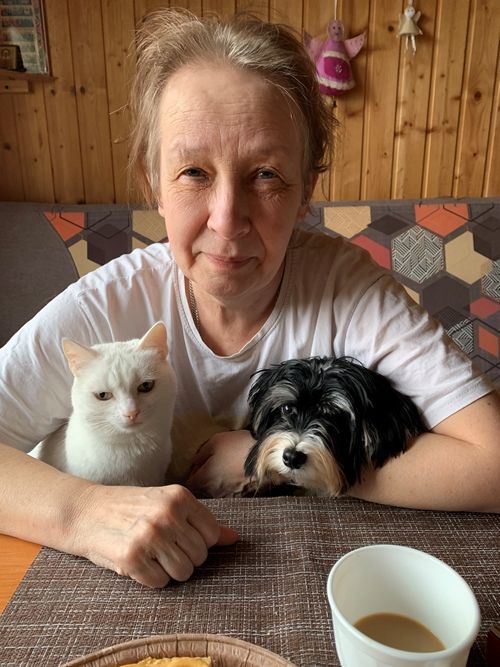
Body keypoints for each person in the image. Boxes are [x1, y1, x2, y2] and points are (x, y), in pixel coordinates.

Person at [0, 10, 499, 590]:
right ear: (152, 183)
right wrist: (83, 513)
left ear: (306, 189)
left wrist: (275, 456)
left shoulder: (349, 290)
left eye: (265, 174)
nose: (227, 219)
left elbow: (492, 464)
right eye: (193, 172)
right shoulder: (104, 305)